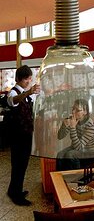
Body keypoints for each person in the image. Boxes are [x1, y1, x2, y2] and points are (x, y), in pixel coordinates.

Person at [7, 65, 40, 206]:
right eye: (27, 79)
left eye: (30, 79)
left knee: (22, 165)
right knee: (18, 165)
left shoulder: (27, 94)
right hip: (17, 137)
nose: (29, 81)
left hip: (25, 136)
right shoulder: (13, 93)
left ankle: (13, 190)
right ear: (19, 79)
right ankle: (16, 196)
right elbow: (13, 101)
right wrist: (29, 92)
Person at [56, 98, 94, 171]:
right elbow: (60, 137)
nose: (73, 112)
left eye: (77, 110)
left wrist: (72, 128)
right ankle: (61, 178)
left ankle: (77, 178)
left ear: (85, 112)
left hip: (90, 151)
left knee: (70, 155)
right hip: (75, 148)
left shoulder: (91, 125)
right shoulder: (73, 119)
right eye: (73, 109)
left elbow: (79, 147)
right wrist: (64, 126)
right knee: (59, 155)